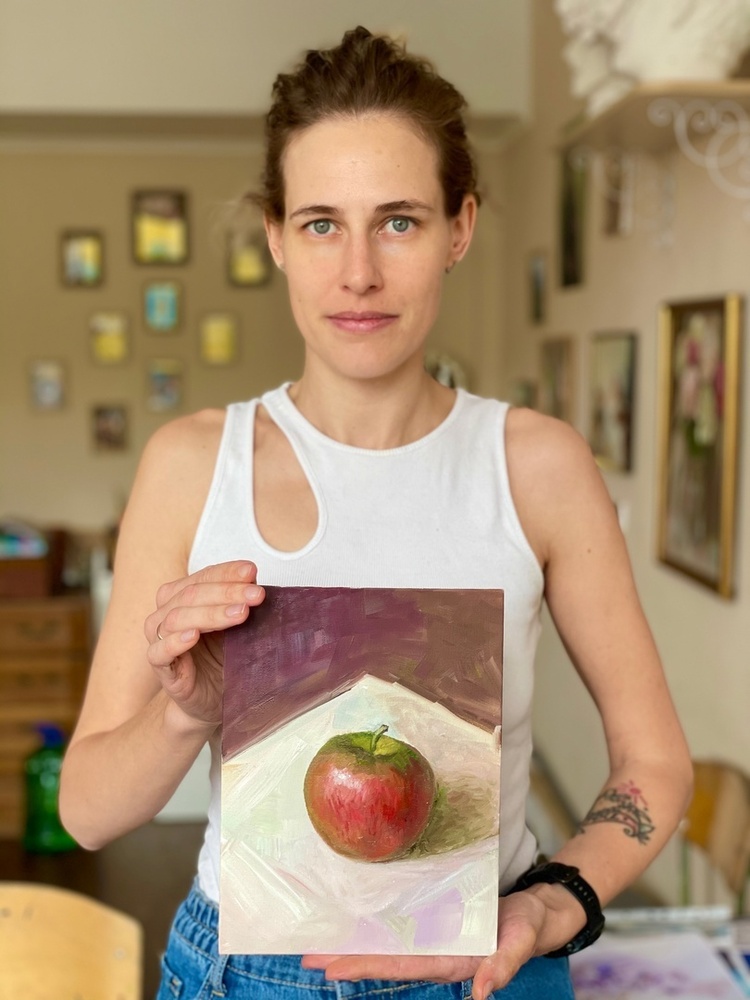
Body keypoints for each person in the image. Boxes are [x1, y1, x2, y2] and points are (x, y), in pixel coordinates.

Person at [59, 25, 692, 1000]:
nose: (358, 272)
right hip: (243, 972)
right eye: (321, 224)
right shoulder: (191, 464)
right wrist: (188, 712)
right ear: (276, 236)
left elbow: (654, 761)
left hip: (487, 961)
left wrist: (552, 904)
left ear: (459, 228)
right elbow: (89, 812)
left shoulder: (539, 466)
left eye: (399, 221)